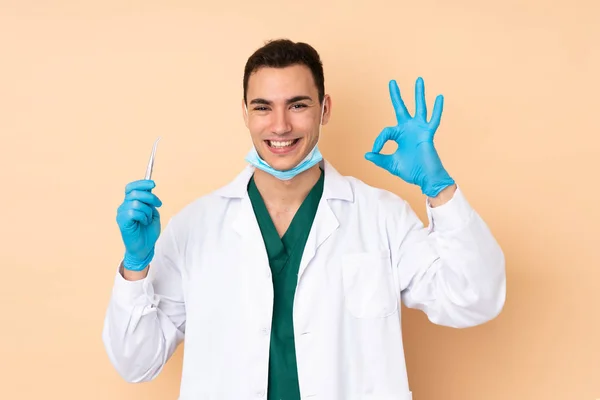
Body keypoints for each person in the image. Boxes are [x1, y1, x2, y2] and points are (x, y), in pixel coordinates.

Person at [102, 38, 506, 400]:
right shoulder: (195, 228)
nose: (280, 126)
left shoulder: (380, 216)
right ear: (245, 113)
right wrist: (135, 267)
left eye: (297, 105)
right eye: (263, 108)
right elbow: (136, 363)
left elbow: (475, 299)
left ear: (325, 108)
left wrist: (440, 189)